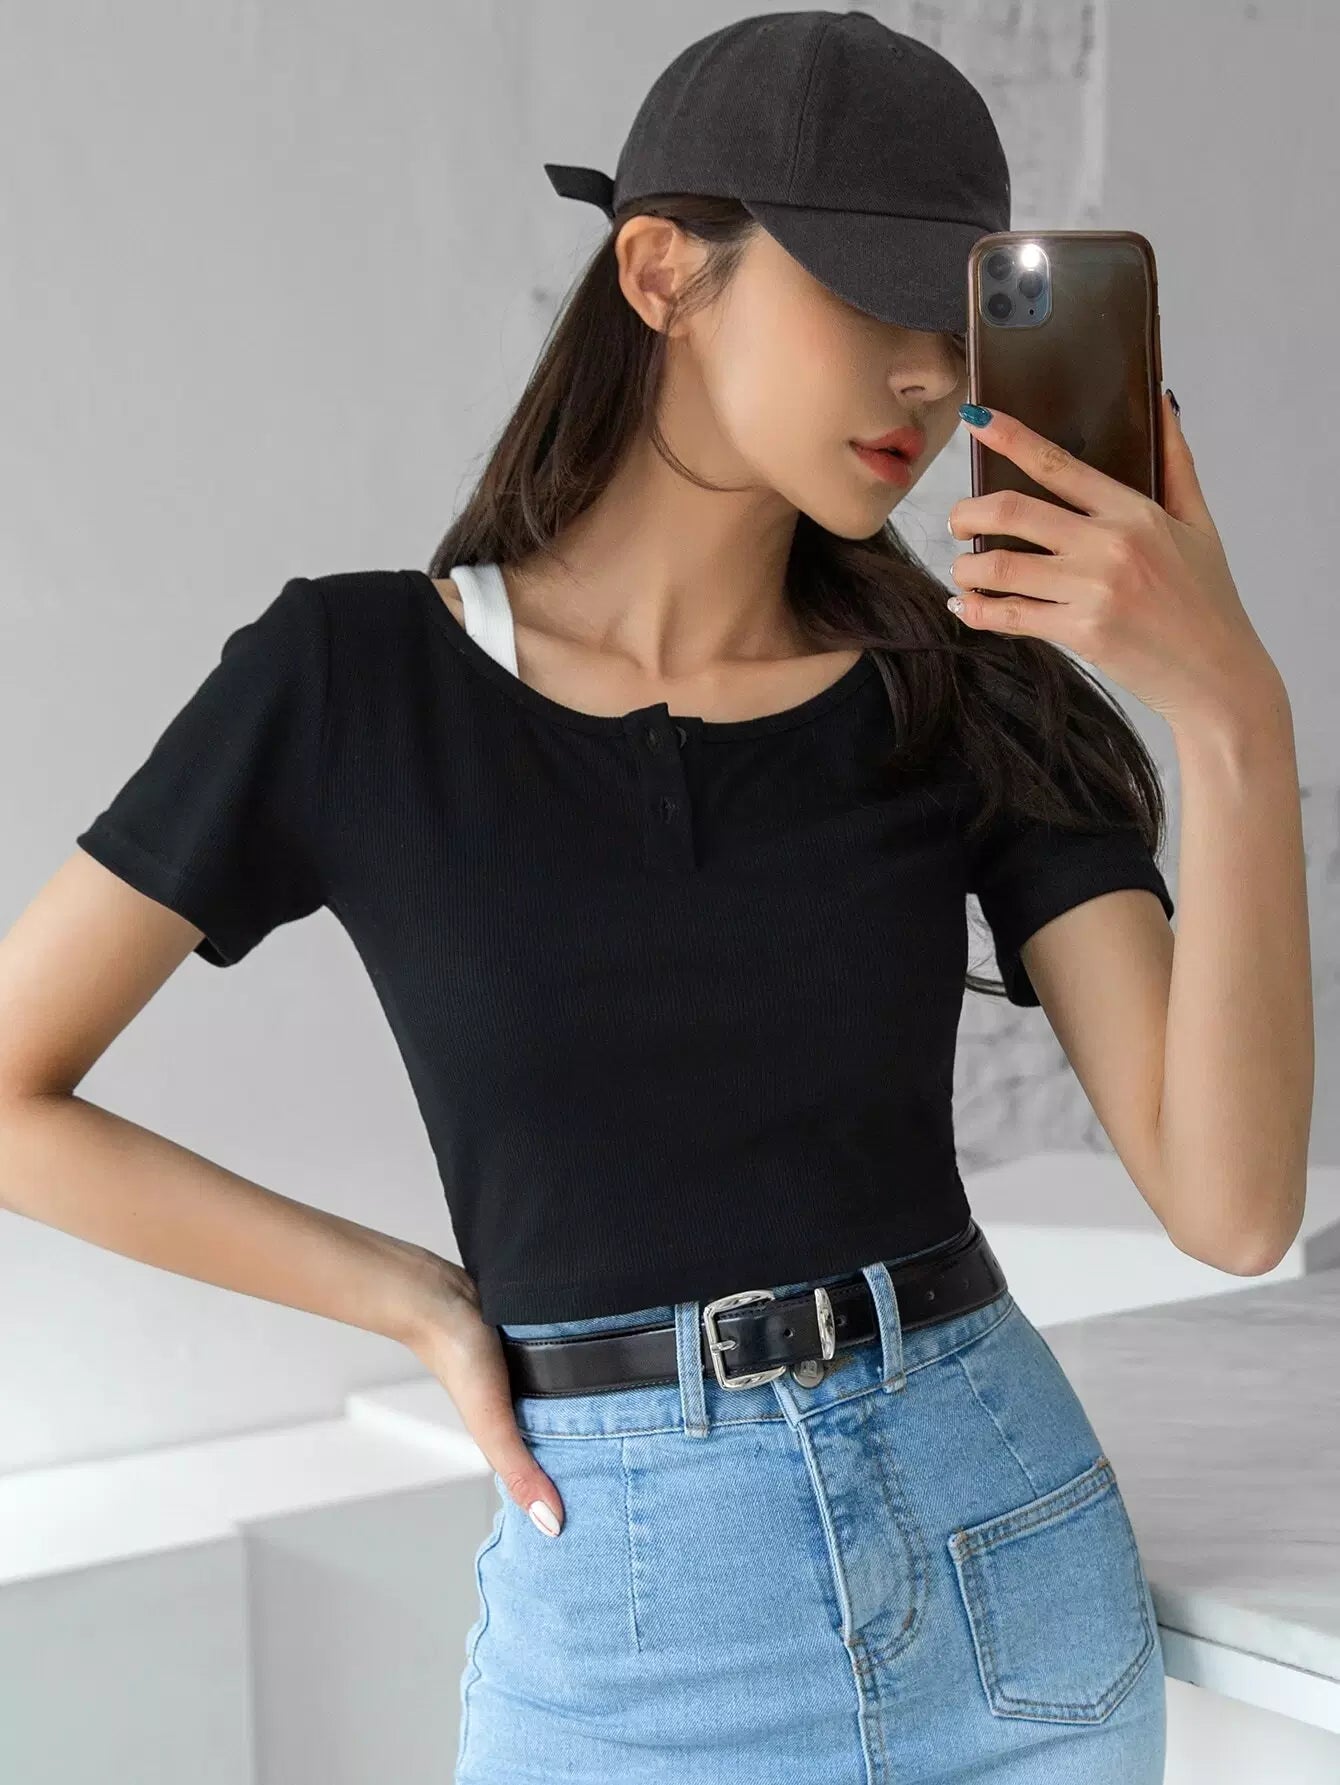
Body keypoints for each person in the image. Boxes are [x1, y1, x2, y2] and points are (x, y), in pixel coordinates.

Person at [1, 13, 1311, 1784]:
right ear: (661, 270)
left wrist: (1234, 719)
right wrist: (412, 1296)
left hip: (1007, 1572)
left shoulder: (965, 693)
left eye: (960, 325)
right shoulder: (351, 681)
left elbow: (1231, 1206)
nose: (929, 377)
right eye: (872, 300)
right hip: (627, 1643)